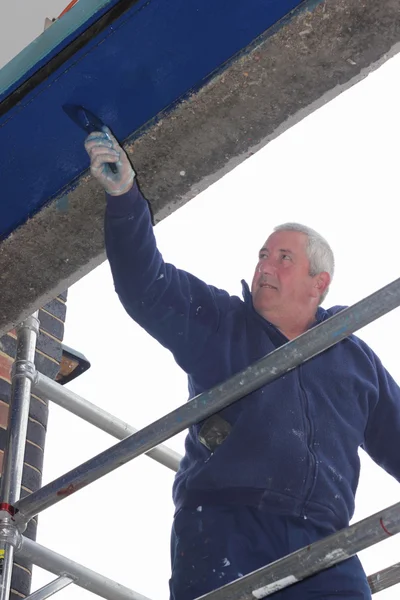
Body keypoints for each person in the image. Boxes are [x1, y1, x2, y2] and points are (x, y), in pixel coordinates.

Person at [84, 129, 400, 600]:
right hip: (225, 526)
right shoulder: (222, 323)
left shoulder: (354, 359)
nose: (266, 266)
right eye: (263, 255)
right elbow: (147, 287)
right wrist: (125, 198)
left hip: (323, 544)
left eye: (284, 258)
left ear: (320, 283)